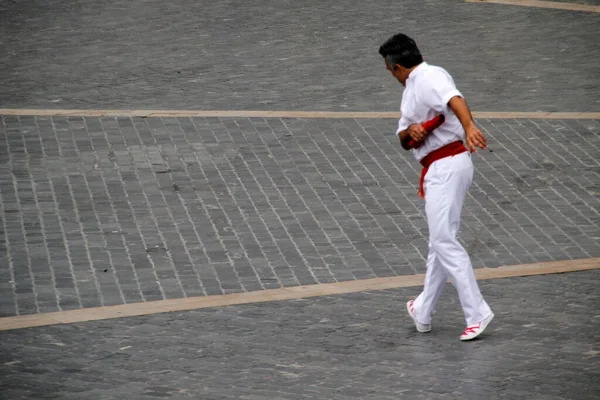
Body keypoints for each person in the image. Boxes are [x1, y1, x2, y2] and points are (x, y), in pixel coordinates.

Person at [379, 33, 493, 341]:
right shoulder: (412, 89)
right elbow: (403, 139)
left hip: (447, 166)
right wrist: (412, 131)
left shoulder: (429, 76)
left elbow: (455, 99)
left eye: (390, 70)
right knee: (439, 243)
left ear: (398, 66)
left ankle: (477, 311)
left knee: (443, 241)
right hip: (438, 168)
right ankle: (422, 308)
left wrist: (469, 126)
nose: (391, 76)